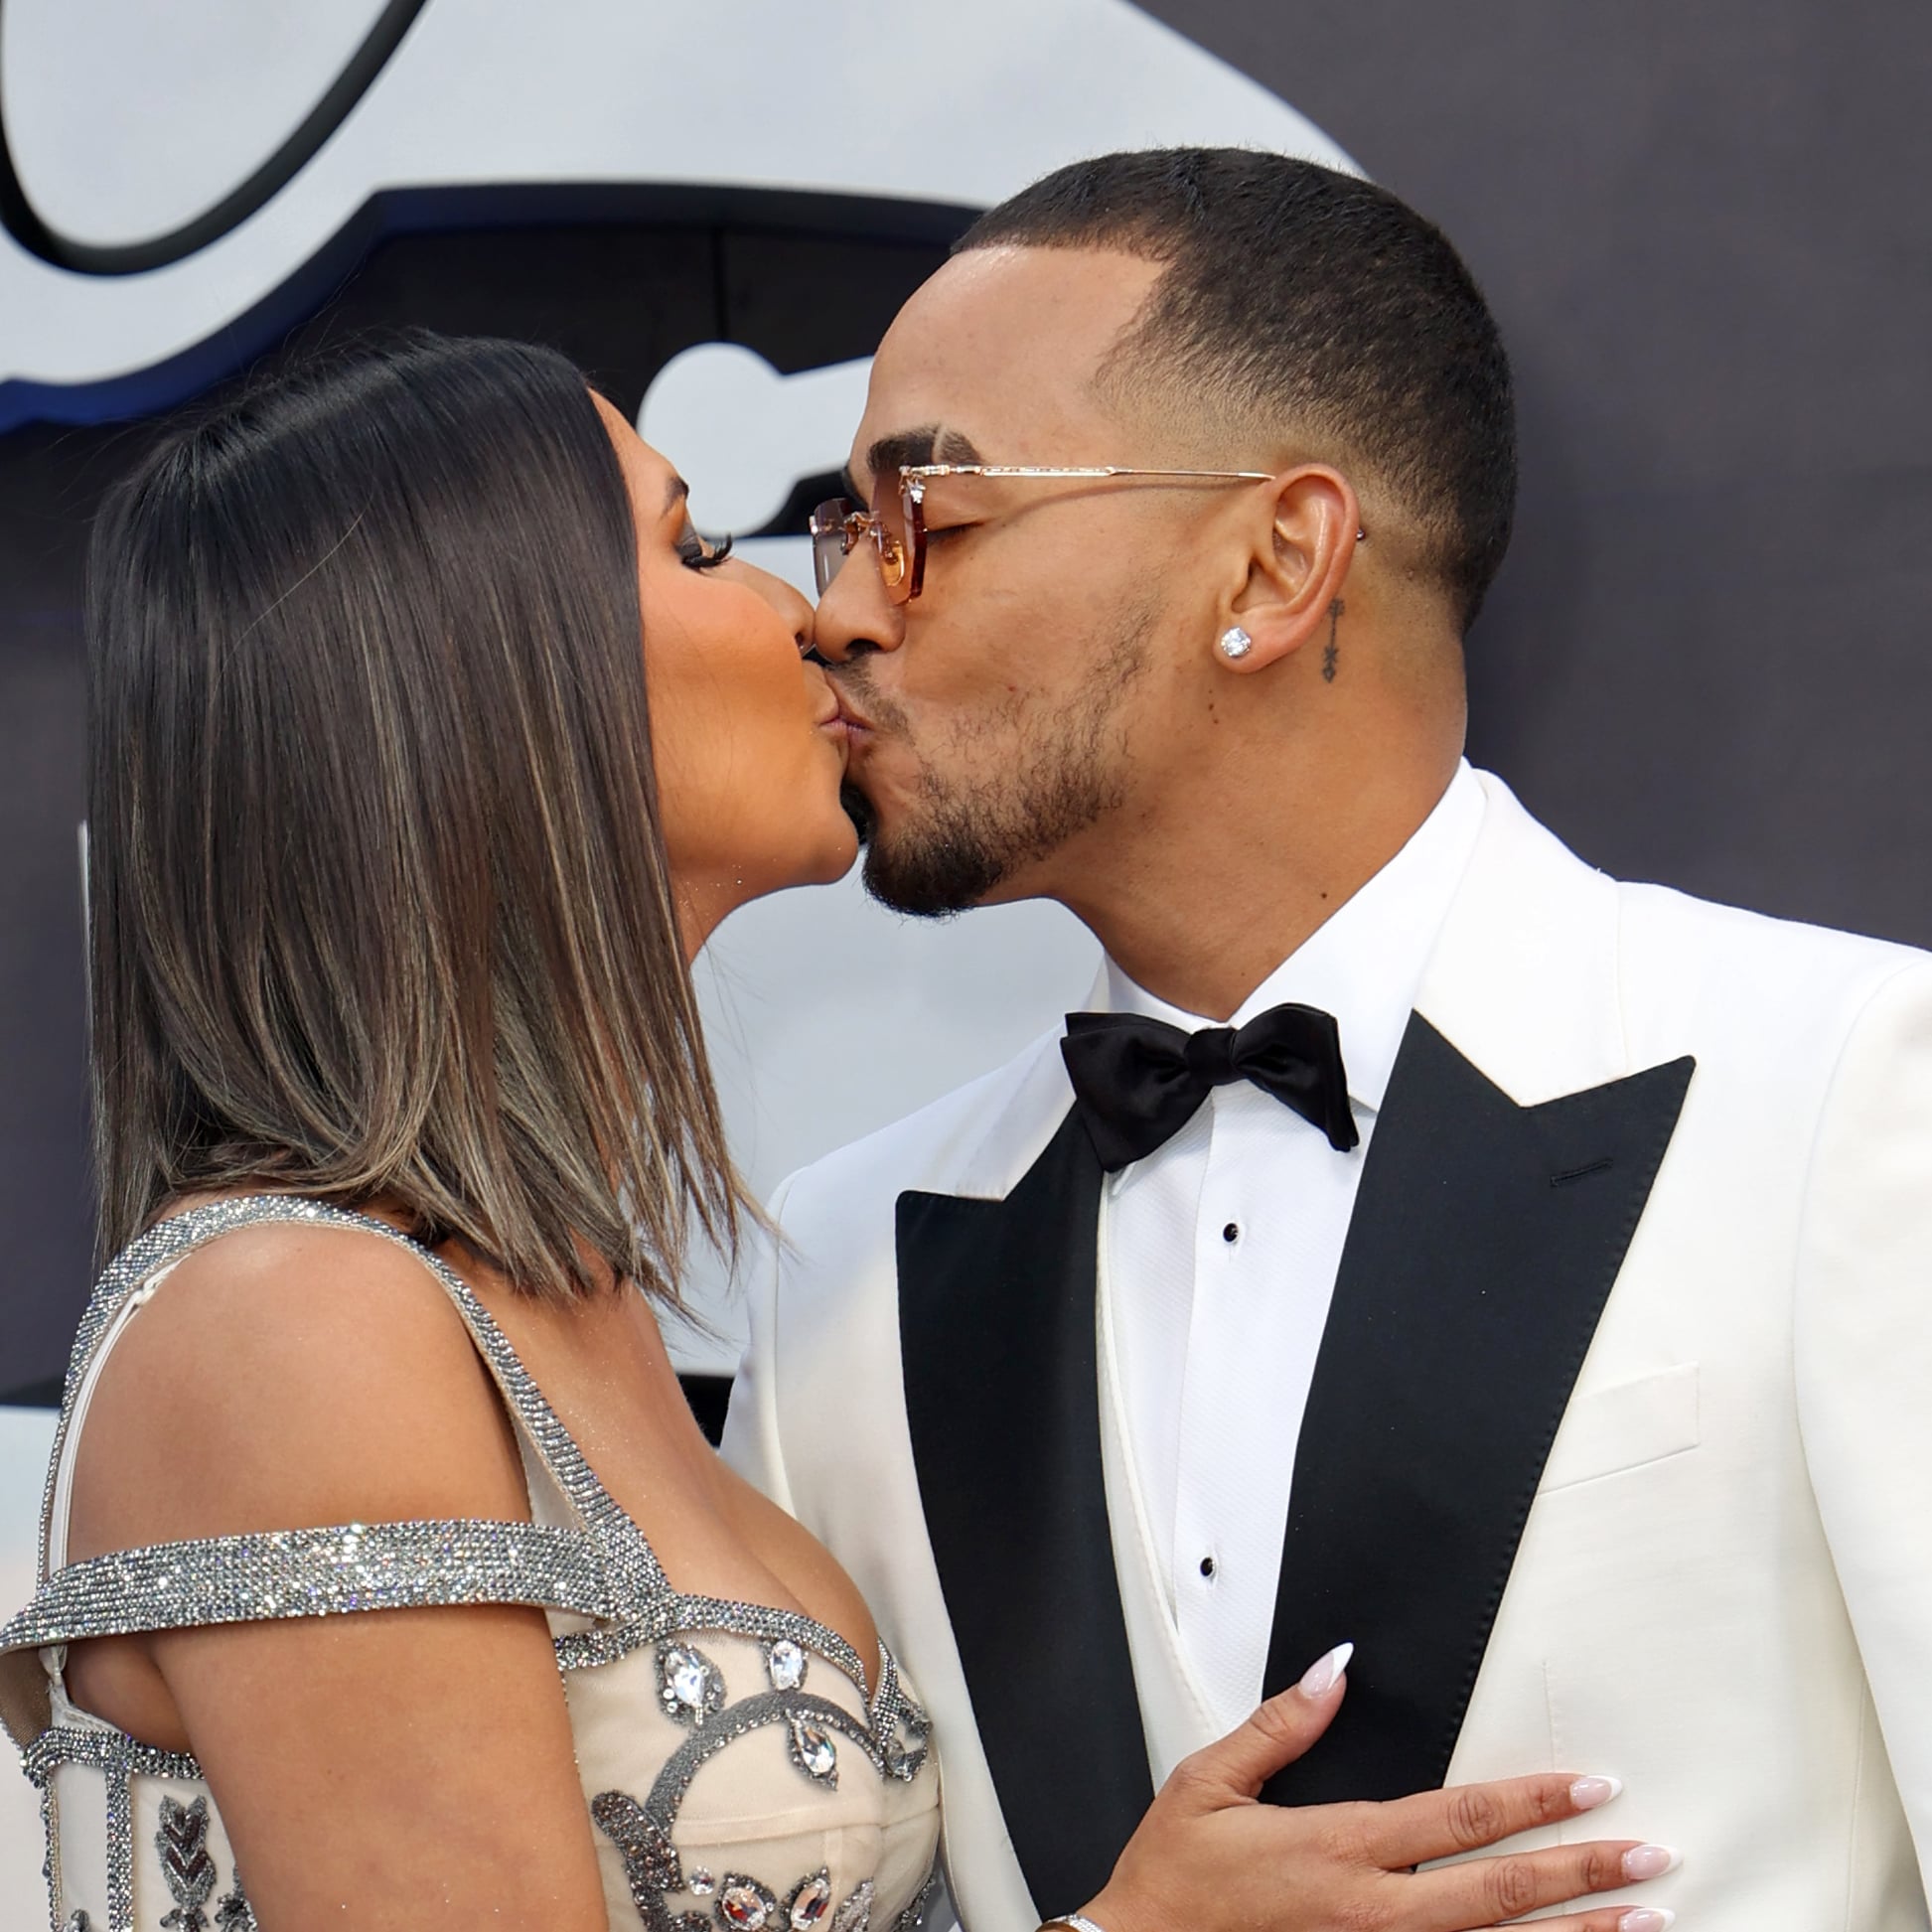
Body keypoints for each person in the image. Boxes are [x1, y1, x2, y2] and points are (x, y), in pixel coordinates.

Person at [0, 333, 1648, 1932]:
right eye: (697, 543)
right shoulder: (297, 1314)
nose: (818, 613)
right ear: (486, 669)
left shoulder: (570, 1299)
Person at [721, 146, 1932, 1932]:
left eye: (926, 518)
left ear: (1280, 559)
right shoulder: (834, 1266)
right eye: (837, 530)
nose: (837, 609)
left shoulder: (1847, 1085)